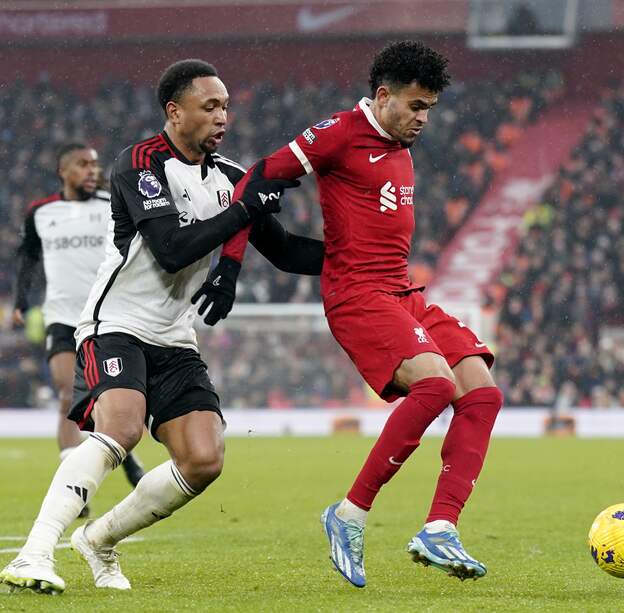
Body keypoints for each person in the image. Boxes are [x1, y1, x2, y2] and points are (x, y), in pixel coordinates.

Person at [0, 58, 321, 594]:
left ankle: (99, 539)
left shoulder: (230, 177)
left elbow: (286, 252)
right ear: (174, 111)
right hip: (115, 323)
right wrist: (244, 212)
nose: (222, 117)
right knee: (122, 428)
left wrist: (364, 259)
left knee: (203, 459)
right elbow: (171, 249)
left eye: (226, 107)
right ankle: (34, 553)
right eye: (209, 106)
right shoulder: (139, 162)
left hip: (174, 336)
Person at [194, 41, 503, 587]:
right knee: (434, 385)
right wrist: (230, 265)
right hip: (357, 297)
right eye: (415, 106)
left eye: (429, 108)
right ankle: (349, 514)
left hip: (403, 293)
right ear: (383, 96)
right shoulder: (339, 132)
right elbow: (256, 178)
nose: (423, 119)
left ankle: (440, 527)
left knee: (481, 392)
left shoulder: (399, 142)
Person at [13, 142, 146, 514]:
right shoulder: (41, 212)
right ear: (63, 171)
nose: (92, 170)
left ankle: (125, 457)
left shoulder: (111, 204)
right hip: (61, 317)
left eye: (95, 164)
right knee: (68, 395)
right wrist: (21, 301)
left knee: (107, 398)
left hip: (107, 316)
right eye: (83, 164)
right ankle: (72, 487)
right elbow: (27, 257)